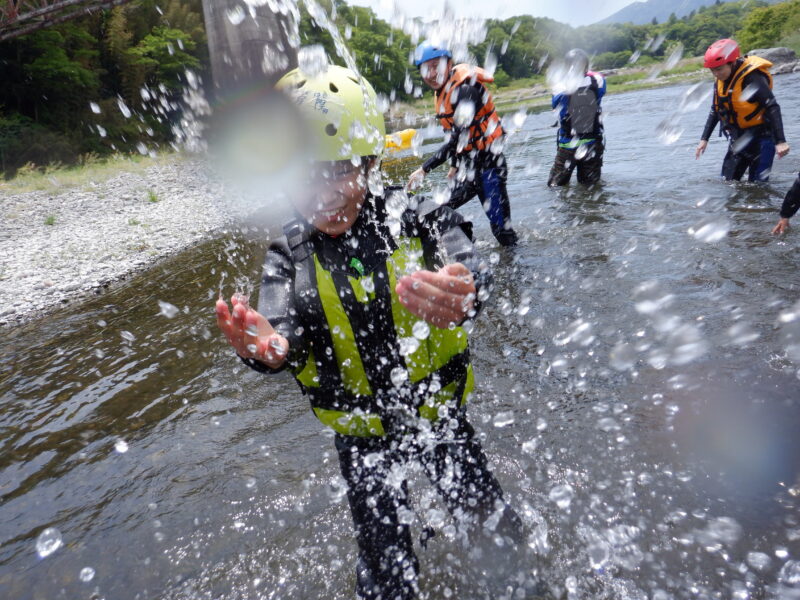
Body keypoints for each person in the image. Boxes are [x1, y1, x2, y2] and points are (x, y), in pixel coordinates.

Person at [215, 65, 533, 600]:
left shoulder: (414, 215)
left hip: (437, 415)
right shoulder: (287, 254)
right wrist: (265, 349)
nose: (321, 193)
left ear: (369, 161)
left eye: (338, 168)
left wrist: (466, 291)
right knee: (385, 569)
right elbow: (279, 331)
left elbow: (467, 263)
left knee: (495, 533)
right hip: (360, 435)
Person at [407, 41, 518, 247]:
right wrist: (455, 164)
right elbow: (453, 135)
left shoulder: (466, 90)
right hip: (468, 168)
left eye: (436, 66)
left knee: (503, 232)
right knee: (439, 209)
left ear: (449, 64)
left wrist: (424, 169)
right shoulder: (443, 91)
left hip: (489, 167)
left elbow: (459, 137)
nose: (431, 74)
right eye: (425, 69)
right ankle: (470, 245)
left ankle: (515, 270)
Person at [695, 38, 790, 182]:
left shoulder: (752, 78)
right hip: (739, 138)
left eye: (719, 69)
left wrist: (780, 141)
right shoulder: (720, 80)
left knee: (758, 187)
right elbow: (715, 109)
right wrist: (704, 139)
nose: (716, 74)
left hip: (762, 138)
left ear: (732, 63)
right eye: (712, 70)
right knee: (728, 182)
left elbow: (772, 107)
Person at [547, 48, 606, 187]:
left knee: (555, 186)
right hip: (592, 143)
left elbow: (555, 105)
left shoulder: (560, 86)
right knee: (591, 188)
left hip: (568, 144)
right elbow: (597, 81)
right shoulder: (597, 81)